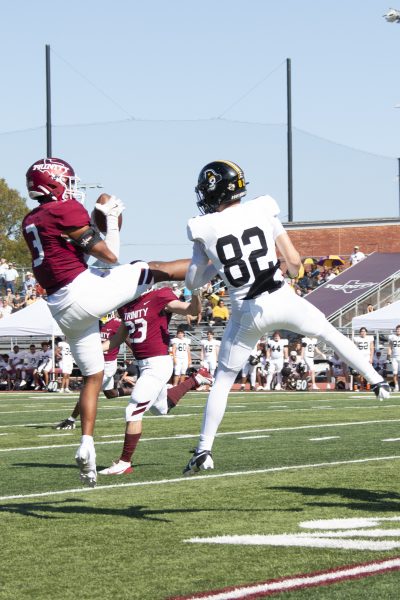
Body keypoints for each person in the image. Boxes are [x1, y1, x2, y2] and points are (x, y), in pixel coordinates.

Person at [181, 159, 390, 475]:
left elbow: (193, 281)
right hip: (281, 295)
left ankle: (204, 449)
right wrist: (286, 270)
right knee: (330, 334)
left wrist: (216, 262)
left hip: (246, 310)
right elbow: (293, 262)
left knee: (224, 378)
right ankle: (376, 381)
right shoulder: (264, 208)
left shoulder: (203, 226)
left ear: (213, 190)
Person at [22, 157, 191, 487]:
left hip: (60, 307)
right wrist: (111, 220)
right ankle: (218, 264)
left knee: (93, 376)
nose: (72, 188)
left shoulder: (33, 218)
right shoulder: (63, 210)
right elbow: (111, 256)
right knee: (152, 267)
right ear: (54, 183)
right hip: (84, 292)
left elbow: (78, 250)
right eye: (67, 182)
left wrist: (101, 217)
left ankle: (86, 443)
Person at [99, 286, 212, 475]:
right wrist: (94, 350)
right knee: (161, 409)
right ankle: (196, 379)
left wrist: (195, 294)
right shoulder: (126, 306)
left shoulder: (158, 296)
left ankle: (124, 462)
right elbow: (118, 338)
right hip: (143, 365)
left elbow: (192, 311)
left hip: (158, 363)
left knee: (133, 410)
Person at [55, 314, 126, 430]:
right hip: (94, 361)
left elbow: (126, 338)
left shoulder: (116, 323)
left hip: (107, 364)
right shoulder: (92, 324)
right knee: (110, 394)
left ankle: (71, 420)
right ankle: (138, 390)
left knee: (89, 391)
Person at [387, 324, 400, 392]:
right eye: (397, 329)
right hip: (394, 357)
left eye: (399, 329)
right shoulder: (392, 337)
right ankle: (396, 386)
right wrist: (388, 355)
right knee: (395, 373)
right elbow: (389, 346)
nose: (398, 330)